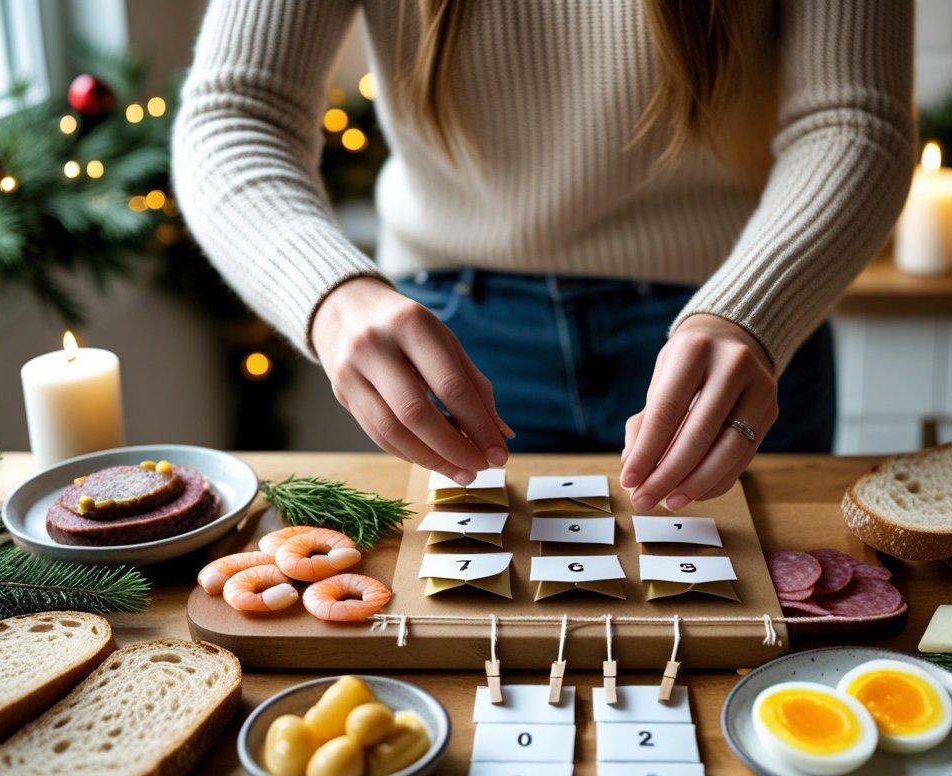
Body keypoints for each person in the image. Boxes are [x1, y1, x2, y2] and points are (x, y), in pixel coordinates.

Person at [173, 1, 914, 512]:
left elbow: (852, 118)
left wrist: (753, 314)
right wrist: (332, 297)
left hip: (735, 337)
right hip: (456, 343)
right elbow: (235, 112)